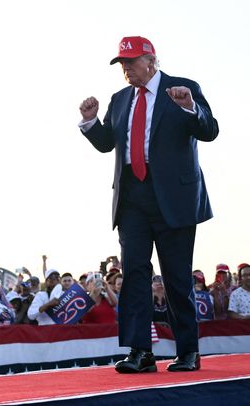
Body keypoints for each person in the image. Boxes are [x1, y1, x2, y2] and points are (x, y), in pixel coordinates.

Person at [79, 36, 218, 373]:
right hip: (132, 199)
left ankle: (188, 352)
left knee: (176, 278)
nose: (126, 69)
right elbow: (107, 144)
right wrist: (90, 122)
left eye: (132, 61)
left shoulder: (183, 88)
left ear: (152, 60)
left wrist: (189, 108)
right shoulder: (121, 98)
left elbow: (209, 130)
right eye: (122, 63)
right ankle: (141, 352)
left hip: (174, 198)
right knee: (135, 276)